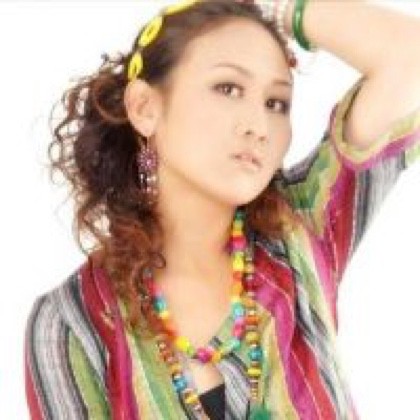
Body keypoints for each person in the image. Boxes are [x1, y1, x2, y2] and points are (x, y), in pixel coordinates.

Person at [24, 0, 420, 419]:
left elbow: (409, 55)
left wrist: (281, 10)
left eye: (276, 103)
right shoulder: (72, 323)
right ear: (145, 108)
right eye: (228, 88)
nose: (257, 126)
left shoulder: (302, 226)